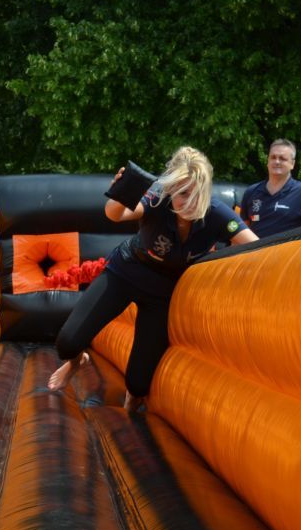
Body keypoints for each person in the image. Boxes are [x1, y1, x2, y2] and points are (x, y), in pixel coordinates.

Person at [47, 146, 258, 411]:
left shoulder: (215, 212)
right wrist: (120, 194)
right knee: (67, 343)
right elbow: (115, 214)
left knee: (138, 384)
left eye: (196, 194)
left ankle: (131, 406)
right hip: (126, 271)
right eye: (182, 194)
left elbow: (257, 247)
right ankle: (77, 362)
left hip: (162, 291)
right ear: (171, 190)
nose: (189, 202)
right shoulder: (158, 199)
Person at [239, 138, 301, 237]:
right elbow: (242, 232)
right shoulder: (251, 192)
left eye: (282, 158)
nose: (277, 161)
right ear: (268, 161)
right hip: (257, 247)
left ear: (292, 164)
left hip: (289, 247)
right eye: (273, 157)